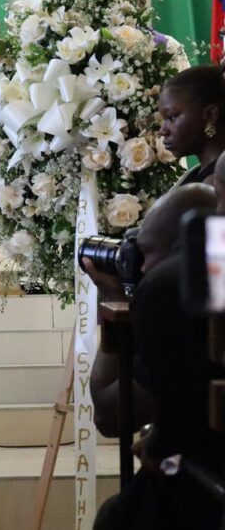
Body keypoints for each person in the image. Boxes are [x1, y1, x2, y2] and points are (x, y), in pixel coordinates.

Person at [85, 183, 225, 529]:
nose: (142, 268)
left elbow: (112, 415)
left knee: (115, 516)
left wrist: (112, 303)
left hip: (204, 489)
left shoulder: (171, 283)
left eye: (145, 254)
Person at [158, 64, 225, 187]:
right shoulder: (199, 174)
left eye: (172, 117)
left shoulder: (215, 187)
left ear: (210, 115)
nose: (163, 131)